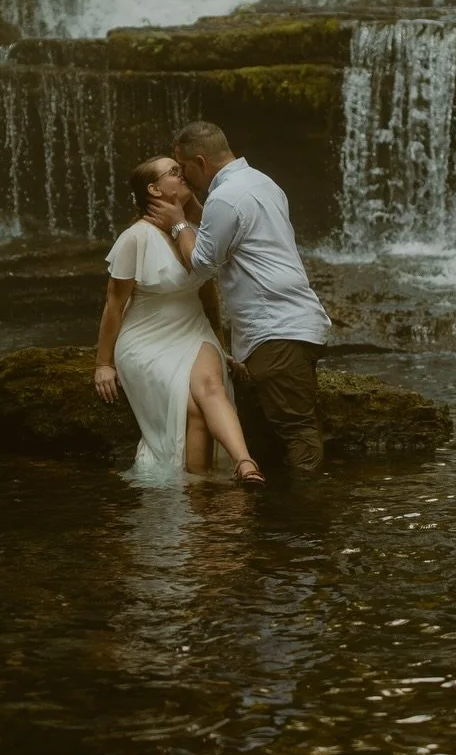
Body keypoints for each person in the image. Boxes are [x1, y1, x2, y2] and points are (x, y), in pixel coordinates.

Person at [146, 120, 330, 471]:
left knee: (298, 432)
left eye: (183, 168)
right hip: (296, 322)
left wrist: (177, 221)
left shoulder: (226, 198)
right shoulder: (261, 182)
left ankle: (309, 518)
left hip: (276, 329)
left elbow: (202, 264)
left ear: (200, 162)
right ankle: (284, 515)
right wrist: (189, 213)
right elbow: (223, 229)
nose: (184, 178)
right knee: (289, 428)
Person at [94, 155, 266, 485]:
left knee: (211, 386)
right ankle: (198, 493)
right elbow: (114, 305)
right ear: (154, 189)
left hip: (194, 330)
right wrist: (103, 363)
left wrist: (221, 343)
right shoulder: (135, 238)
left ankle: (245, 464)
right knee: (193, 410)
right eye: (174, 172)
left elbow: (207, 293)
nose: (182, 174)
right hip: (147, 338)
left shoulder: (192, 232)